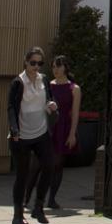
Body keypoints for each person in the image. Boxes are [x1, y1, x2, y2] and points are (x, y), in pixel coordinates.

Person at [7, 45, 58, 224]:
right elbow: (11, 107)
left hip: (41, 131)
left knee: (49, 165)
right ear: (26, 62)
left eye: (40, 63)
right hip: (22, 135)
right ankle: (18, 214)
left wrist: (52, 105)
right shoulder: (18, 83)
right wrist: (14, 129)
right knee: (22, 174)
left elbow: (49, 99)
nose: (36, 66)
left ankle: (38, 207)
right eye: (33, 63)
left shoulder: (44, 79)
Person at [44, 55, 80, 213]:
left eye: (58, 66)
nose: (56, 70)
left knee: (58, 164)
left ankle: (51, 199)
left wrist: (72, 134)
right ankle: (30, 196)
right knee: (43, 163)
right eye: (53, 67)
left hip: (63, 127)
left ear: (66, 67)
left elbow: (75, 114)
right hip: (48, 126)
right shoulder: (48, 85)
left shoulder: (74, 88)